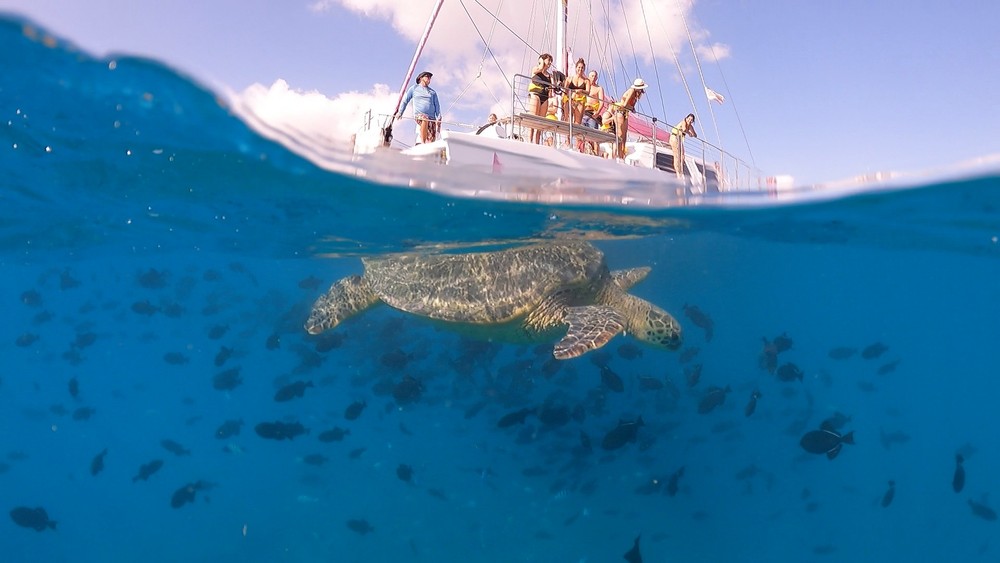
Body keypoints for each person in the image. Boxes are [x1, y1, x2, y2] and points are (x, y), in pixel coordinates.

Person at [397, 71, 441, 144]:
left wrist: (439, 117)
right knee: (424, 119)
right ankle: (423, 143)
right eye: (427, 77)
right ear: (421, 78)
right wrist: (400, 112)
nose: (429, 79)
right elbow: (405, 100)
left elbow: (437, 105)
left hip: (432, 118)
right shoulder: (414, 88)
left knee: (432, 139)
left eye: (430, 78)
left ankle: (429, 149)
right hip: (419, 115)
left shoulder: (432, 92)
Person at [612, 78, 646, 159]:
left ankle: (621, 155)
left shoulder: (636, 95)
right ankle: (615, 155)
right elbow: (624, 104)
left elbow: (630, 106)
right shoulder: (631, 91)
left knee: (624, 137)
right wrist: (630, 108)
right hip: (620, 112)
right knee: (620, 134)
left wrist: (632, 108)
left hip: (625, 113)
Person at [527, 54, 553, 144]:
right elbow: (540, 68)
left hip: (544, 97)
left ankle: (537, 143)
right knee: (533, 119)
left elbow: (552, 88)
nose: (549, 62)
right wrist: (541, 61)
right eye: (548, 60)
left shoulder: (550, 76)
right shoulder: (535, 69)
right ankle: (529, 141)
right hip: (536, 94)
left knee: (540, 124)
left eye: (550, 61)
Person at [564, 58, 590, 125]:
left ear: (584, 69)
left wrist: (581, 90)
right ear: (576, 68)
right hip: (570, 100)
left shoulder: (586, 81)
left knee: (577, 122)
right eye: (579, 67)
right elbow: (565, 90)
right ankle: (567, 135)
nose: (580, 69)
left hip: (580, 101)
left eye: (582, 68)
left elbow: (588, 92)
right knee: (568, 120)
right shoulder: (569, 78)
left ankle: (575, 135)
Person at [670, 113, 697, 177]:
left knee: (682, 156)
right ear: (686, 118)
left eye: (691, 120)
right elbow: (684, 129)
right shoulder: (683, 122)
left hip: (680, 139)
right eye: (689, 119)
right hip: (675, 137)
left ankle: (681, 171)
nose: (689, 120)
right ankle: (678, 173)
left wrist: (692, 133)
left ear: (693, 121)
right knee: (676, 155)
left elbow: (695, 135)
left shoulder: (690, 126)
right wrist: (689, 133)